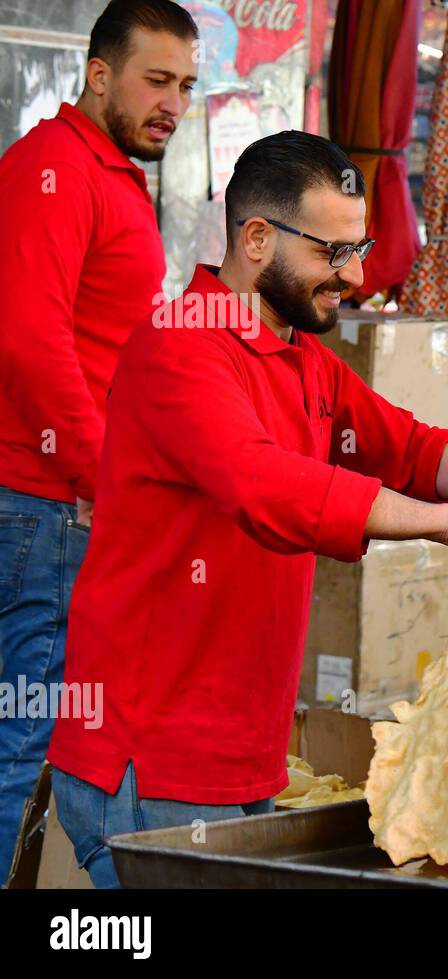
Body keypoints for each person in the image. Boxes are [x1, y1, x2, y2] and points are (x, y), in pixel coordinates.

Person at [46, 132, 448, 888]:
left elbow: (411, 446)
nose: (353, 275)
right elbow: (268, 486)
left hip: (240, 757)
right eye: (332, 252)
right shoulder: (178, 348)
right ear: (257, 238)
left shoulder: (298, 353)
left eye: (361, 248)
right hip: (151, 764)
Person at [0, 0, 197, 879]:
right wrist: (96, 475)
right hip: (44, 503)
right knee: (24, 738)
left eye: (187, 86)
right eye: (157, 81)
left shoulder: (104, 171)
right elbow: (28, 337)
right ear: (99, 73)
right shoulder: (54, 167)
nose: (174, 103)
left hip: (62, 500)